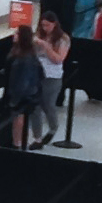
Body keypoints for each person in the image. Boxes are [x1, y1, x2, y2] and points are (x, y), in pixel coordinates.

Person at [31, 13, 70, 149]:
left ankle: (53, 127)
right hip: (37, 75)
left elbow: (58, 59)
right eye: (43, 25)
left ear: (54, 24)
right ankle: (37, 137)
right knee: (35, 106)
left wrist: (46, 46)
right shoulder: (38, 35)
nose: (45, 28)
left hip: (52, 76)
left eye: (47, 25)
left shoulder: (63, 39)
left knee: (48, 104)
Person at [6, 27, 44, 150]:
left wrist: (15, 99)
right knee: (17, 119)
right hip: (22, 92)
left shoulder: (25, 58)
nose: (14, 35)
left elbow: (23, 80)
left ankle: (17, 144)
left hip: (22, 96)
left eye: (17, 33)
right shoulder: (23, 53)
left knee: (19, 119)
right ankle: (16, 143)